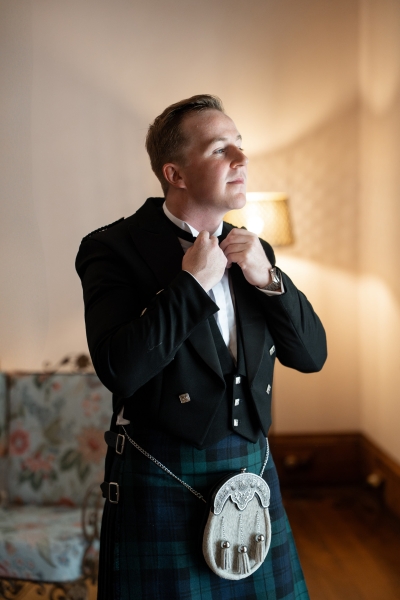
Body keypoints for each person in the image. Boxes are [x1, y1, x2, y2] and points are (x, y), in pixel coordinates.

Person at [76, 94, 327, 600]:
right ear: (176, 174)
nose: (241, 158)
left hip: (252, 471)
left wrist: (268, 278)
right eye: (219, 149)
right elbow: (119, 369)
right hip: (161, 476)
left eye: (240, 144)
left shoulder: (254, 250)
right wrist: (191, 286)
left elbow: (311, 356)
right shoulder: (112, 248)